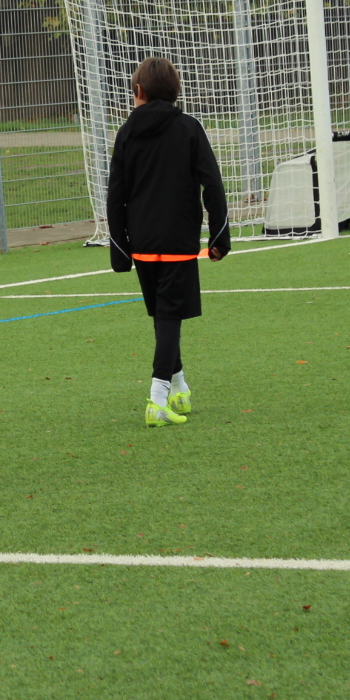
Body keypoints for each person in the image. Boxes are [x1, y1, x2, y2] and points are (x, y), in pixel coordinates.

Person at [106, 56, 230, 427]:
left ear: (138, 90)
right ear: (175, 91)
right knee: (168, 316)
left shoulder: (126, 133)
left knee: (164, 317)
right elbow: (212, 183)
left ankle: (179, 387)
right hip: (178, 240)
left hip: (141, 242)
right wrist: (220, 236)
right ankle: (158, 398)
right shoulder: (189, 128)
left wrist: (120, 248)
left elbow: (115, 195)